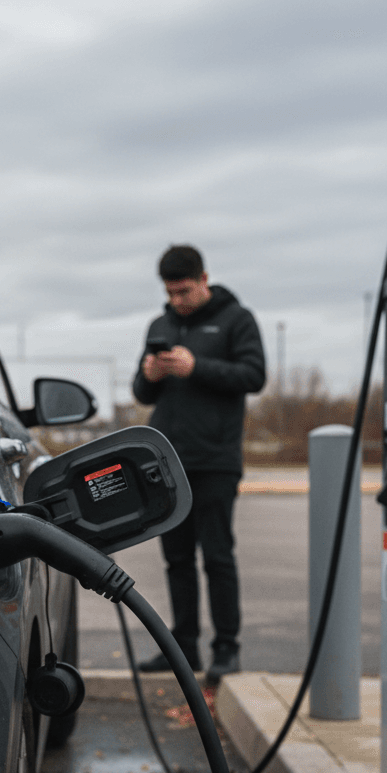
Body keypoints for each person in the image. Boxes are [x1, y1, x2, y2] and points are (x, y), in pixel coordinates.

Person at [132, 245, 266, 681]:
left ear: (204, 279)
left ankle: (227, 649)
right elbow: (142, 393)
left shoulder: (236, 319)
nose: (177, 301)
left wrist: (197, 366)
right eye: (170, 292)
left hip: (215, 460)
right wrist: (150, 375)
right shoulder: (161, 324)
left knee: (218, 557)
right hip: (168, 461)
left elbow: (253, 375)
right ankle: (184, 648)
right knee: (177, 560)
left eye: (185, 291)